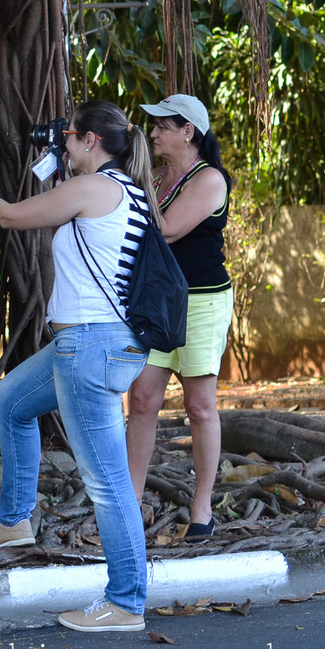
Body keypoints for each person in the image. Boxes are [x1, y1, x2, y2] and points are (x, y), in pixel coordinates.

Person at [0, 100, 158, 633]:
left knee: (106, 481)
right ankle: (14, 522)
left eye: (72, 137)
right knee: (12, 399)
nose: (64, 144)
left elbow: (11, 216)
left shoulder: (94, 189)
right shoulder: (125, 189)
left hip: (89, 348)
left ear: (90, 142)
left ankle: (126, 600)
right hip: (97, 344)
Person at [124, 94, 233, 542]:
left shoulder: (209, 179)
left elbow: (167, 229)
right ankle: (127, 505)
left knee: (199, 406)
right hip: (162, 301)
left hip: (203, 301)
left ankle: (202, 507)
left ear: (188, 131)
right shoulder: (156, 175)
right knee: (144, 399)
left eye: (161, 127)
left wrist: (130, 184)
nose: (152, 134)